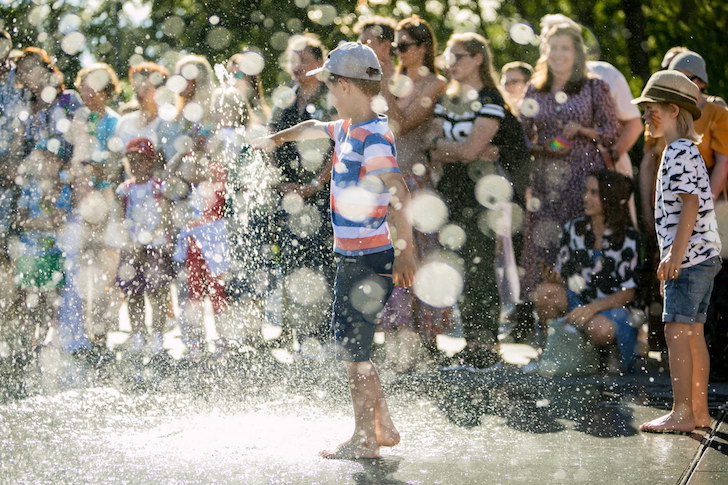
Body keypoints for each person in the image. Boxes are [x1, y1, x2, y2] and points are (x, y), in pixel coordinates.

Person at [253, 42, 415, 459]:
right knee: (356, 345)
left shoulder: (374, 135)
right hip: (355, 255)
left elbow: (398, 190)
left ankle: (364, 439)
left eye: (330, 86)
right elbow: (312, 128)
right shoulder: (346, 128)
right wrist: (275, 139)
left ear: (345, 86)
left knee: (353, 350)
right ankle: (383, 427)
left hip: (368, 257)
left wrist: (406, 250)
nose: (328, 94)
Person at [428, 32, 530, 368]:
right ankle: (471, 339)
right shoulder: (449, 98)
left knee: (481, 265)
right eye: (449, 56)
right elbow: (437, 147)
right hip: (453, 192)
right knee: (460, 263)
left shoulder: (490, 97)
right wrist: (454, 152)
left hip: (484, 193)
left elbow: (469, 149)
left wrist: (448, 152)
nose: (451, 63)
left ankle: (486, 343)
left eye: (458, 56)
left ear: (477, 59)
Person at [634, 71, 722, 433]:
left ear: (672, 110)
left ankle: (682, 411)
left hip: (689, 257)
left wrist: (674, 255)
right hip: (703, 256)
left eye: (651, 110)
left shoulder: (680, 150)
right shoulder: (682, 150)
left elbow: (690, 204)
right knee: (693, 332)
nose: (646, 118)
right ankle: (699, 412)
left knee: (675, 332)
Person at [518, 23, 619, 295]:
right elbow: (521, 136)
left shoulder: (594, 87)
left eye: (565, 48)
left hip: (583, 179)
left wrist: (583, 130)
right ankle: (536, 309)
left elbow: (612, 133)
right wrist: (543, 148)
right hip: (545, 182)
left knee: (578, 241)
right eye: (553, 47)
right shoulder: (534, 90)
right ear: (545, 51)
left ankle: (578, 308)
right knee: (541, 244)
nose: (559, 54)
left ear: (577, 53)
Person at [373, 15, 449, 372]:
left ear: (422, 48)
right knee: (390, 258)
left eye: (403, 47)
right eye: (393, 48)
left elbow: (399, 123)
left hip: (415, 184)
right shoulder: (392, 81)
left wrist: (386, 75)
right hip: (386, 181)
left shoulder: (434, 84)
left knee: (420, 257)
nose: (397, 53)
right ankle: (395, 339)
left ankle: (425, 342)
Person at [531, 170, 639, 372]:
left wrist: (592, 308)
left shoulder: (628, 238)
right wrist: (554, 278)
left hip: (610, 307)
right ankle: (549, 352)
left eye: (593, 193)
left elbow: (628, 293)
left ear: (610, 198)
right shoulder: (573, 229)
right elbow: (564, 276)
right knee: (545, 293)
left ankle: (604, 358)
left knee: (601, 329)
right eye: (586, 191)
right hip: (578, 299)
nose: (585, 198)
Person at [269, 34, 336, 348]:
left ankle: (321, 335)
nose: (297, 67)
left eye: (304, 60)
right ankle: (297, 333)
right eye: (293, 60)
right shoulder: (285, 97)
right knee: (293, 262)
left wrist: (315, 184)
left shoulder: (331, 96)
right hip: (289, 195)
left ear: (320, 62)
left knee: (320, 262)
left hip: (324, 194)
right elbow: (273, 141)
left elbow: (339, 144)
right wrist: (278, 183)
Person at [67, 63, 123, 359]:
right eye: (85, 86)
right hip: (81, 201)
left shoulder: (115, 122)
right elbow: (75, 162)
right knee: (81, 269)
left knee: (105, 270)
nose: (89, 93)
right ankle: (83, 335)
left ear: (106, 91)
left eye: (95, 87)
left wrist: (92, 169)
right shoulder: (79, 119)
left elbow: (114, 167)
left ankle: (101, 335)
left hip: (106, 200)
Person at [116, 138, 175, 362]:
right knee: (133, 294)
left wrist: (162, 239)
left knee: (158, 292)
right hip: (132, 247)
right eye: (131, 160)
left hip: (155, 246)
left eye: (140, 160)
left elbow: (166, 217)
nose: (135, 165)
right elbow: (120, 217)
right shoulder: (124, 189)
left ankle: (158, 335)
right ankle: (138, 334)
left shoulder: (159, 188)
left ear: (150, 162)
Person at [226, 51, 270, 125]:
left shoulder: (262, 116)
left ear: (250, 79)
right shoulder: (223, 112)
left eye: (238, 75)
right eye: (229, 75)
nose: (232, 80)